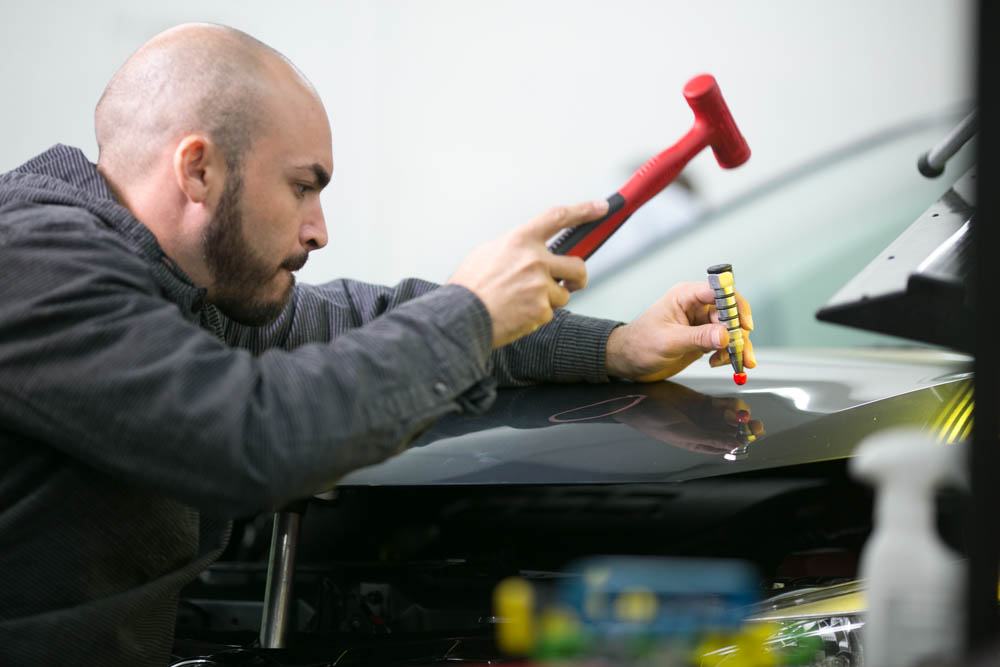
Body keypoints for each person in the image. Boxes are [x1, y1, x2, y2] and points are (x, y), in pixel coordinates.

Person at [0, 23, 755, 666]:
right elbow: (249, 435)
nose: (319, 230)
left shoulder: (172, 285)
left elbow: (367, 321)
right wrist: (471, 314)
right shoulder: (36, 264)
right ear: (198, 169)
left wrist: (617, 346)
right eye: (303, 186)